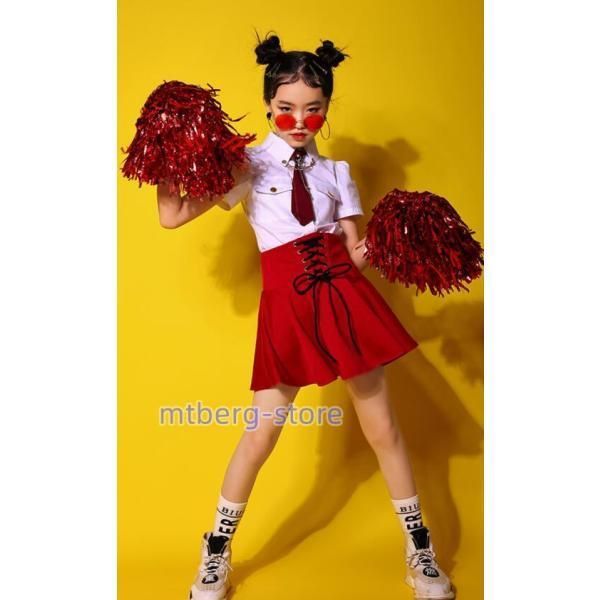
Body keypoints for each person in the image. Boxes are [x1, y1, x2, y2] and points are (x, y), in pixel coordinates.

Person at [157, 32, 455, 600]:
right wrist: (166, 153)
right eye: (287, 108)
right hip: (287, 309)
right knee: (260, 436)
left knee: (383, 429)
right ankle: (215, 552)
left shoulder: (336, 172)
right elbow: (172, 216)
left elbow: (354, 254)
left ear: (327, 107)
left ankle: (419, 552)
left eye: (313, 110)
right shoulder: (245, 164)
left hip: (344, 299)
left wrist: (401, 232)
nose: (299, 121)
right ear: (268, 103)